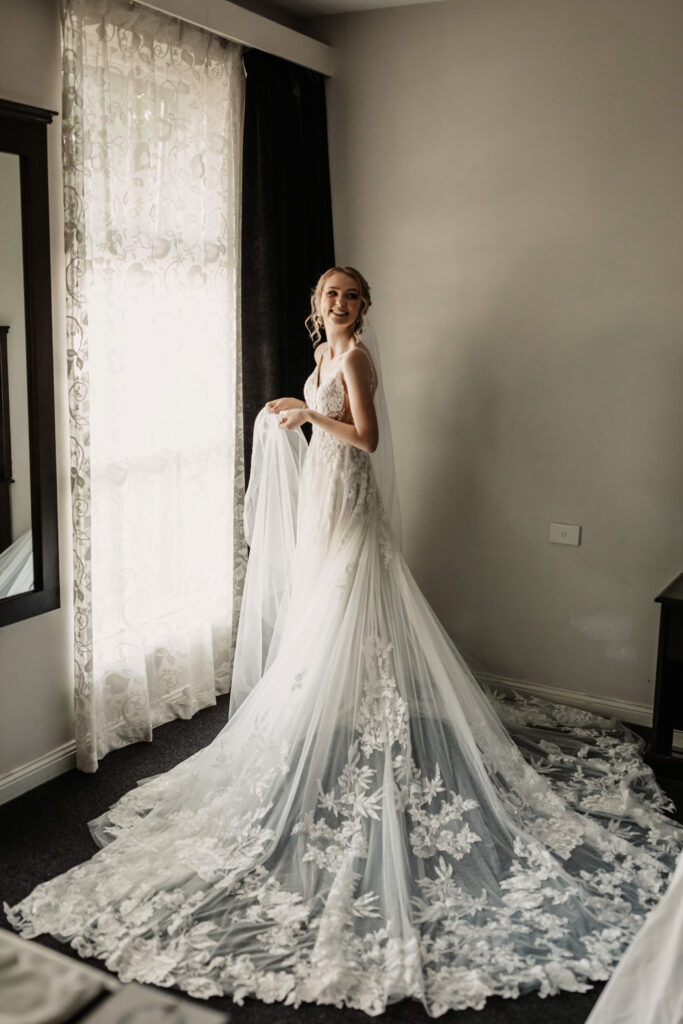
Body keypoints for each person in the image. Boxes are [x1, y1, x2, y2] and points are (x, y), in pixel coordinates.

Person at [6, 267, 683, 1016]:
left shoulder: (354, 357)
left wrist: (307, 415)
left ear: (362, 308)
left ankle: (362, 721)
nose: (339, 304)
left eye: (350, 296)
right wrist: (295, 415)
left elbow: (366, 438)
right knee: (324, 613)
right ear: (316, 303)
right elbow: (329, 435)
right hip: (323, 495)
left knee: (351, 607)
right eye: (330, 294)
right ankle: (342, 712)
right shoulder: (322, 353)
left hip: (350, 501)